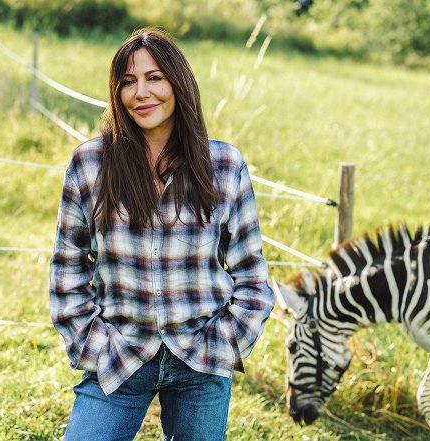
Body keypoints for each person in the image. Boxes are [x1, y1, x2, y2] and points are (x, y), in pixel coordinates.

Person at [49, 27, 274, 441]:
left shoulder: (223, 164)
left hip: (201, 358)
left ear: (178, 83)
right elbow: (67, 269)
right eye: (128, 82)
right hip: (119, 353)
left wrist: (226, 343)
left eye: (154, 78)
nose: (141, 93)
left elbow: (252, 274)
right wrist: (94, 344)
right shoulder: (90, 164)